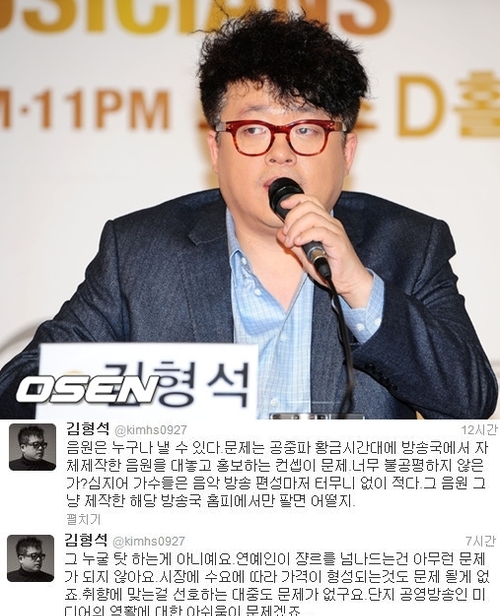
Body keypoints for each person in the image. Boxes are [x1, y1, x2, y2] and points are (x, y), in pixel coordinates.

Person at [0, 10, 497, 419]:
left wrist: (360, 289)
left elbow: (471, 403)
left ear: (347, 152)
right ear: (216, 150)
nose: (280, 154)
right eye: (254, 130)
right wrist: (150, 392)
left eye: (306, 130)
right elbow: (19, 388)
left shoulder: (408, 245)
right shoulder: (139, 253)